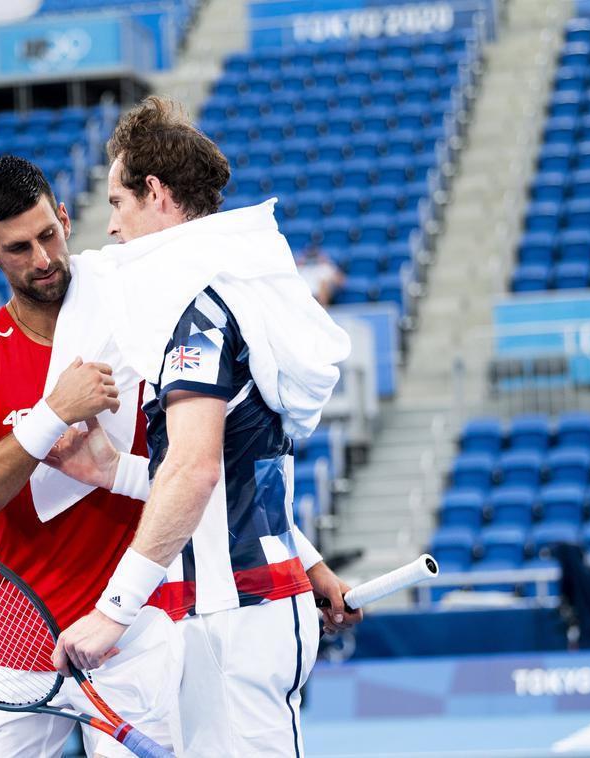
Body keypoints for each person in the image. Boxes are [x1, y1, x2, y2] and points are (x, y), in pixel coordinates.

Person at [49, 97, 360, 757]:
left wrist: (113, 612)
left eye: (117, 203)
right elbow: (237, 472)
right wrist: (311, 563)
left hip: (235, 619)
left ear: (154, 193)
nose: (110, 227)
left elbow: (194, 471)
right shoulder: (233, 292)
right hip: (246, 606)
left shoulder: (199, 314)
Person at [0, 155, 183, 758]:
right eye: (18, 248)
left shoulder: (136, 320)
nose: (43, 260)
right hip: (17, 640)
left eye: (49, 235)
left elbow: (200, 469)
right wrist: (52, 414)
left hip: (131, 626)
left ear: (66, 219)